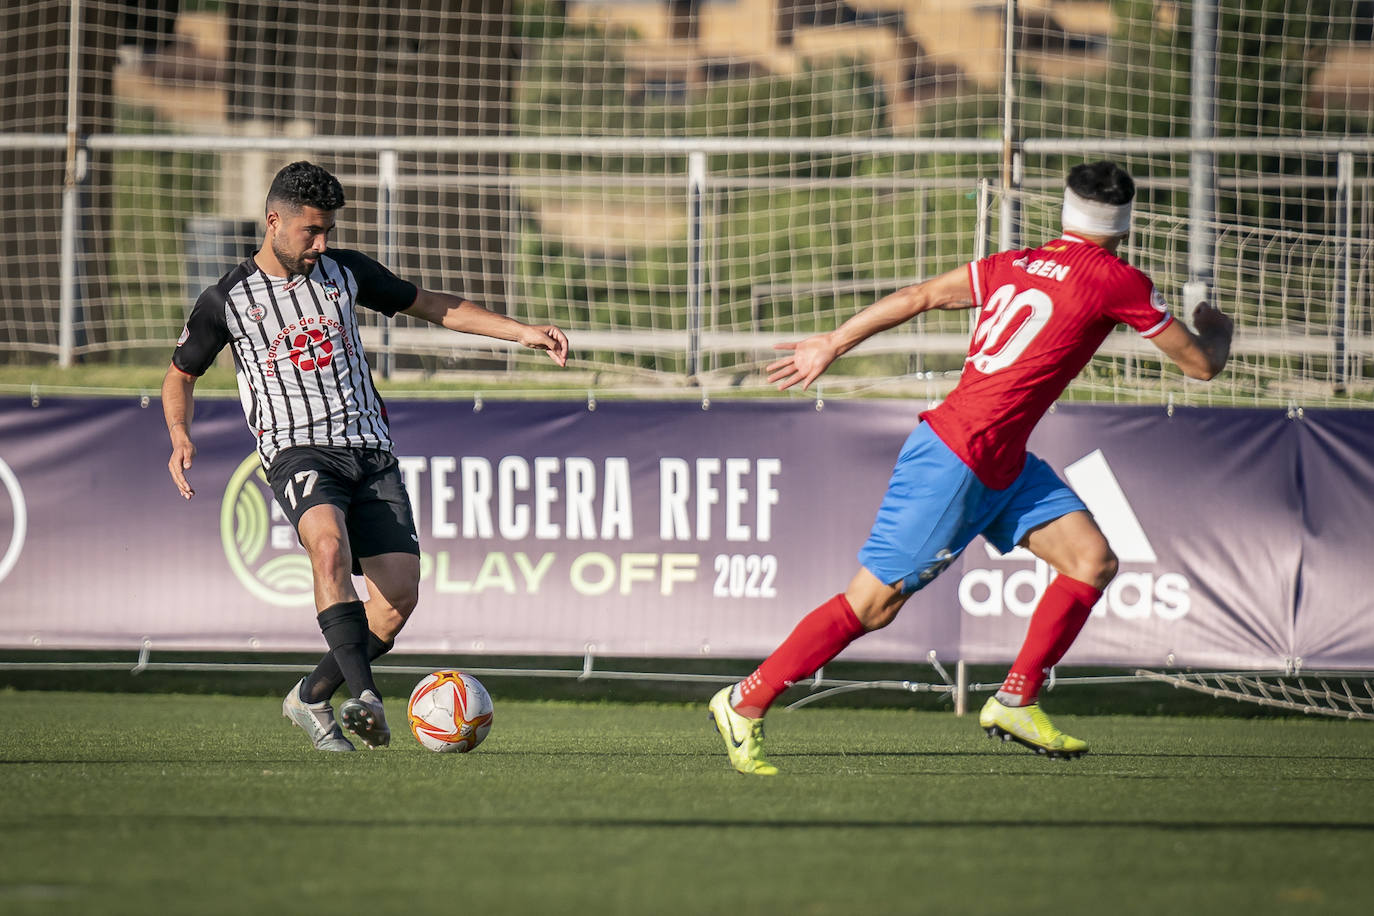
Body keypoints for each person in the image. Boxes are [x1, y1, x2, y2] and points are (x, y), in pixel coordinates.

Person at [709, 160, 1233, 775]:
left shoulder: (1010, 264)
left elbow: (919, 296)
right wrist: (1217, 330)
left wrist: (832, 340)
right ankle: (745, 701)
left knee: (1091, 560)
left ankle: (1015, 698)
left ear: (1065, 211)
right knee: (872, 606)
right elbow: (1200, 365)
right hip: (958, 457)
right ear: (1124, 224)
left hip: (1001, 460)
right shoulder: (1119, 280)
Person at [162, 160, 570, 752]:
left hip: (370, 450)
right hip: (296, 450)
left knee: (398, 600)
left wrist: (522, 332)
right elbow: (180, 375)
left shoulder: (345, 272)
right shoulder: (226, 299)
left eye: (327, 230)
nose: (321, 243)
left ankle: (309, 696)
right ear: (274, 221)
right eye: (311, 231)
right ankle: (365, 698)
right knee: (327, 547)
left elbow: (431, 303)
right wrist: (179, 433)